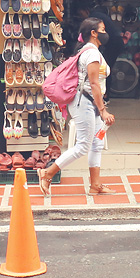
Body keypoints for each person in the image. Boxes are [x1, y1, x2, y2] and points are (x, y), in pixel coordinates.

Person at [40, 17, 115, 197]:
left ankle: (95, 185)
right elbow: (94, 84)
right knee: (83, 146)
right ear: (93, 33)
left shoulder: (90, 51)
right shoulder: (92, 54)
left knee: (96, 144)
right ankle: (48, 173)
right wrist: (103, 110)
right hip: (86, 104)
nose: (106, 33)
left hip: (89, 104)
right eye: (102, 30)